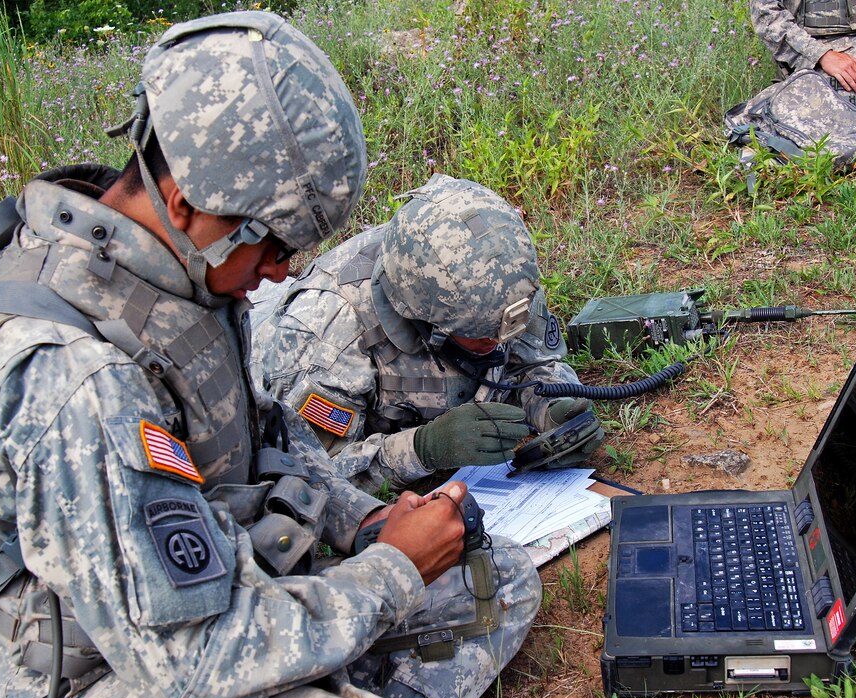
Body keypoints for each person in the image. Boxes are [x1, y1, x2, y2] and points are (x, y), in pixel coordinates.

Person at [0, 13, 539, 698]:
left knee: (500, 576)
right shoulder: (75, 375)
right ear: (186, 202)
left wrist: (365, 522)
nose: (281, 271)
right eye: (271, 247)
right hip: (91, 675)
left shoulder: (181, 278)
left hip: (211, 584)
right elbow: (190, 659)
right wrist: (392, 571)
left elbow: (270, 436)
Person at [249, 174, 604, 494]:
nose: (498, 345)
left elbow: (533, 363)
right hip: (259, 338)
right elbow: (311, 473)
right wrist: (423, 448)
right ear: (422, 321)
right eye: (481, 338)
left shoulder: (504, 282)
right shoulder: (328, 344)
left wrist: (551, 407)